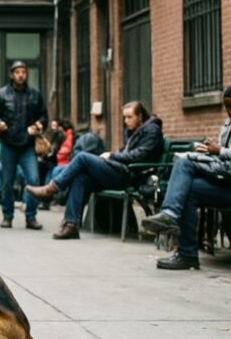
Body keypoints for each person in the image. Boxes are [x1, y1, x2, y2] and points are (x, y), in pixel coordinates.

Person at [142, 84, 231, 270]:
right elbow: (226, 156)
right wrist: (209, 152)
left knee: (187, 180)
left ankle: (178, 234)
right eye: (227, 107)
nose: (229, 111)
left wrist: (220, 151)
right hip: (230, 178)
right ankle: (182, 243)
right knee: (185, 174)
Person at [27, 102, 163, 240]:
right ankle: (71, 225)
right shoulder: (135, 131)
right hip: (123, 171)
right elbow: (127, 152)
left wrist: (112, 156)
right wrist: (112, 157)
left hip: (133, 176)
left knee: (82, 158)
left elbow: (140, 156)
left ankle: (51, 189)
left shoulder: (152, 131)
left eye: (129, 117)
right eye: (124, 117)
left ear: (140, 116)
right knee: (81, 177)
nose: (126, 121)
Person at [0, 60, 48, 230]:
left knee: (33, 179)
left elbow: (44, 116)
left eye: (23, 72)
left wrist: (38, 124)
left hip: (27, 145)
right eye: (17, 72)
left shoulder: (35, 94)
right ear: (11, 74)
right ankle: (7, 216)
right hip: (8, 143)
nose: (21, 75)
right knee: (7, 181)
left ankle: (31, 216)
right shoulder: (1, 94)